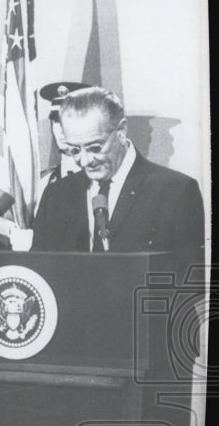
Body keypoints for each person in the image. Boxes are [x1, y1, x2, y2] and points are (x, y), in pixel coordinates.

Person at [31, 86, 205, 282]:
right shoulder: (56, 195)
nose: (85, 161)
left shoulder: (176, 191)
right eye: (74, 150)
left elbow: (189, 289)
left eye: (95, 147)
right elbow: (39, 276)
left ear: (121, 131)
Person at [37, 81, 90, 197]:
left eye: (69, 120)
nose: (62, 129)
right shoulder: (43, 183)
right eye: (57, 121)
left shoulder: (102, 179)